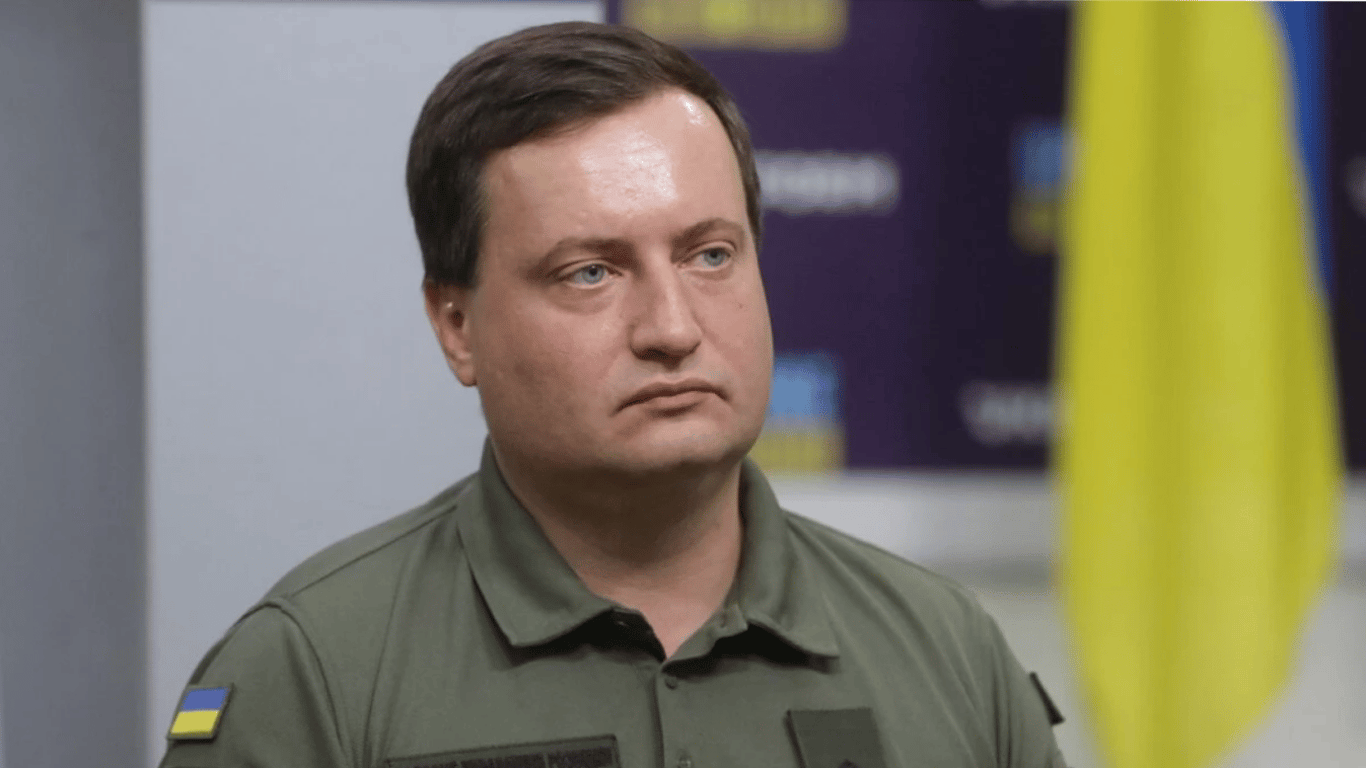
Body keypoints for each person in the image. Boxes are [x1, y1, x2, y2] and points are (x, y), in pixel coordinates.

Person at [159, 21, 1067, 768]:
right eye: (590, 272)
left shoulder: (948, 654)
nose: (671, 327)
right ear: (457, 325)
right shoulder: (313, 675)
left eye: (710, 254)